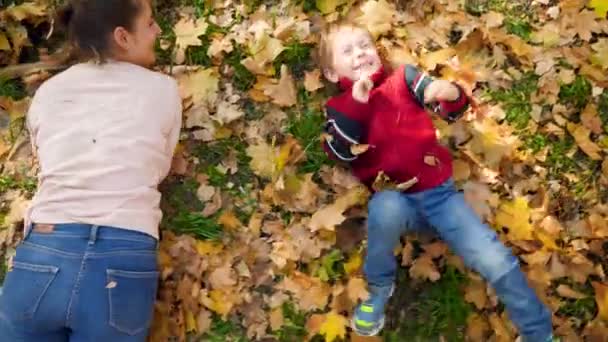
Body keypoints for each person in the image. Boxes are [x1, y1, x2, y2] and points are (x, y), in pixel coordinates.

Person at [318, 22, 555, 341]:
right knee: (384, 206)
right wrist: (357, 102)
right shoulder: (339, 110)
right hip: (395, 203)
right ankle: (378, 289)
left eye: (365, 45)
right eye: (348, 51)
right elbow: (340, 151)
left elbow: (450, 108)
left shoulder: (401, 79)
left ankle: (538, 332)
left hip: (438, 195)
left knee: (495, 259)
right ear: (332, 74)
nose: (360, 53)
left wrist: (450, 93)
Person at [0, 0, 182, 341]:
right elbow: (160, 163)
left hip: (44, 249)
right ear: (122, 37)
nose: (158, 31)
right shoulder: (164, 90)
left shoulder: (48, 92)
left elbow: (44, 157)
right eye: (150, 24)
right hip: (123, 254)